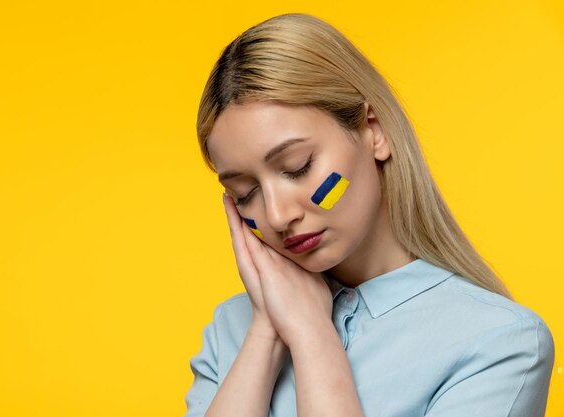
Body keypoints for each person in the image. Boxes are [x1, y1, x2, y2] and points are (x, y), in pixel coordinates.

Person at [184, 12, 555, 417]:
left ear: (373, 130)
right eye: (245, 193)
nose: (276, 216)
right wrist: (267, 335)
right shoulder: (232, 330)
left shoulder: (500, 343)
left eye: (298, 166)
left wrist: (312, 335)